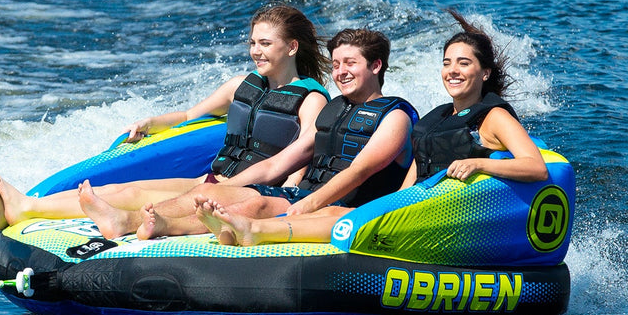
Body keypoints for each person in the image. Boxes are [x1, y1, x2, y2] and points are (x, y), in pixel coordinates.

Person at [195, 9, 548, 247]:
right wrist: (396, 205)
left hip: (448, 216)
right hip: (418, 206)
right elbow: (415, 170)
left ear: (484, 73)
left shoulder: (494, 117)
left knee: (338, 215)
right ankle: (248, 229)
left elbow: (535, 167)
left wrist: (479, 164)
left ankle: (255, 231)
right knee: (333, 212)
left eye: (464, 63)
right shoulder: (438, 116)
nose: (452, 71)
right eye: (446, 63)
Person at [0, 5, 328, 233]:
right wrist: (149, 123)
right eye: (252, 42)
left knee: (146, 201)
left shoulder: (310, 99)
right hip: (214, 179)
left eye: (265, 43)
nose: (255, 51)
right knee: (125, 189)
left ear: (292, 47)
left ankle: (35, 210)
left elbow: (300, 158)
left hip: (248, 193)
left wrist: (282, 199)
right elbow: (190, 115)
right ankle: (24, 207)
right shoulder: (241, 85)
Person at [84, 27, 417, 240]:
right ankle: (128, 220)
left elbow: (360, 171)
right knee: (213, 193)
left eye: (350, 63)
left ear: (375, 66)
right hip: (305, 195)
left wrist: (309, 203)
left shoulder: (395, 116)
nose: (340, 72)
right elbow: (278, 164)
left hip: (348, 210)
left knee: (257, 206)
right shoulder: (334, 110)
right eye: (336, 64)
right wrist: (225, 186)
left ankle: (176, 226)